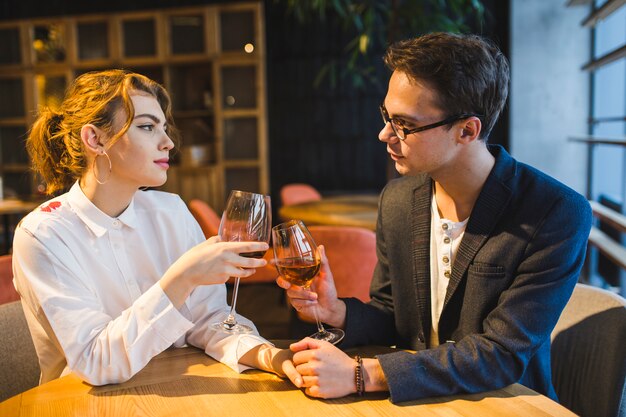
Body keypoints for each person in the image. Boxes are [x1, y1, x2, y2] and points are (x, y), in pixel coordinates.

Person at [278, 32, 592, 403]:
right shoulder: (397, 200)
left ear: (466, 130)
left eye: (404, 125)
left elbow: (502, 354)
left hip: (505, 403)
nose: (384, 135)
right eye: (386, 117)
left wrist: (362, 374)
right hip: (418, 401)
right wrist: (338, 311)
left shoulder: (553, 212)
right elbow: (393, 314)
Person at [13, 69, 296, 385]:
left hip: (178, 391)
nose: (168, 143)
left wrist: (273, 357)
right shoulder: (43, 235)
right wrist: (181, 277)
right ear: (95, 139)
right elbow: (95, 361)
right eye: (147, 127)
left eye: (164, 127)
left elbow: (209, 319)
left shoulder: (171, 211)